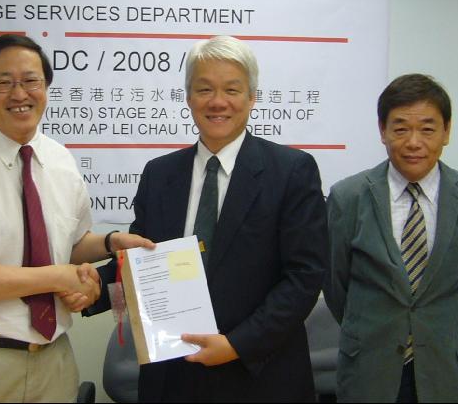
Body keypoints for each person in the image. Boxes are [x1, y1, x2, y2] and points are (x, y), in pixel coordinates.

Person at [87, 35, 328, 401]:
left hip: (259, 375)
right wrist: (92, 289)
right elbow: (141, 265)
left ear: (252, 97)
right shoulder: (160, 174)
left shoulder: (292, 171)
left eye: (232, 89)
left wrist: (236, 345)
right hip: (172, 374)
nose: (218, 102)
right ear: (188, 98)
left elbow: (304, 278)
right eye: (204, 89)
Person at [0, 34, 154, 403]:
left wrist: (109, 243)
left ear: (46, 86)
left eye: (30, 81)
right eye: (3, 83)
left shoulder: (60, 160)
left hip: (53, 360)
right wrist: (59, 277)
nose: (19, 94)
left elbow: (69, 245)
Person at [324, 73, 458, 402]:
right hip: (369, 371)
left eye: (428, 129)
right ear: (382, 131)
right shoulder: (348, 198)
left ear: (446, 131)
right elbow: (336, 286)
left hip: (447, 370)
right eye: (401, 128)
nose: (414, 142)